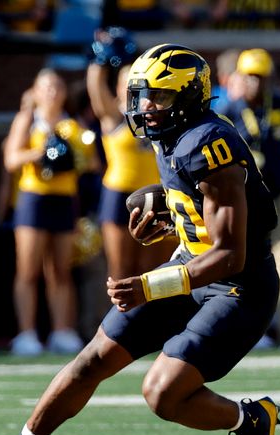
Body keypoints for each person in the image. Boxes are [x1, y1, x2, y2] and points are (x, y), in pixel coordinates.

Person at [0, 44, 280, 435]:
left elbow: (229, 254)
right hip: (193, 262)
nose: (145, 107)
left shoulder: (209, 144)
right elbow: (199, 216)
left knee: (161, 393)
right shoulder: (173, 136)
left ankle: (251, 419)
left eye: (158, 98)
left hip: (239, 286)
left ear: (186, 99)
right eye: (141, 96)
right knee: (91, 360)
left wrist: (150, 284)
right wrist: (170, 217)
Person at [216, 48, 280, 346]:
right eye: (250, 77)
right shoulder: (229, 111)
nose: (255, 84)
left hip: (279, 195)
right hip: (243, 198)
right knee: (242, 263)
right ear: (239, 78)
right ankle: (251, 330)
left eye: (260, 77)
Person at [4, 69, 92, 356]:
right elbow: (11, 160)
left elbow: (89, 163)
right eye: (46, 87)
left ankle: (62, 330)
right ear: (36, 91)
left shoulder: (71, 124)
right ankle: (26, 332)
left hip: (64, 199)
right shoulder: (28, 120)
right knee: (28, 270)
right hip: (34, 198)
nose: (52, 92)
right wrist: (41, 152)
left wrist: (70, 157)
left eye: (57, 86)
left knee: (61, 271)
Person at [86, 30, 175, 281]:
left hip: (155, 194)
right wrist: (100, 58)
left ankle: (150, 321)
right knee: (121, 269)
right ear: (117, 86)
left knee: (153, 270)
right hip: (119, 195)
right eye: (126, 82)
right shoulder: (113, 114)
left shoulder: (155, 113)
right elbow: (95, 87)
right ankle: (119, 320)